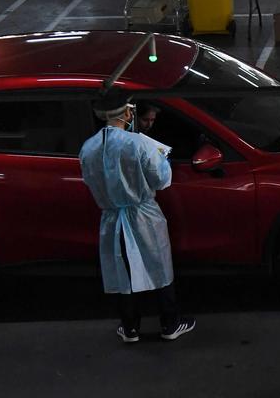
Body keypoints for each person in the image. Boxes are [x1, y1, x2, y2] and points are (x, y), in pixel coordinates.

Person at [79, 95, 196, 343]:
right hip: (143, 214)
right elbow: (161, 180)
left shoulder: (88, 148)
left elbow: (90, 182)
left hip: (111, 218)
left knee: (123, 271)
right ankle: (170, 323)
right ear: (127, 113)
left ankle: (130, 327)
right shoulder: (138, 145)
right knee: (160, 267)